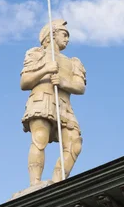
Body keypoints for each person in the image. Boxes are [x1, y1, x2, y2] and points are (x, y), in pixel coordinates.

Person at [20, 19, 86, 186]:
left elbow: (79, 86)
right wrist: (45, 69)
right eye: (64, 34)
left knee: (74, 143)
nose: (67, 39)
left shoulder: (73, 62)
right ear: (51, 35)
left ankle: (58, 182)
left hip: (64, 105)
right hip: (42, 99)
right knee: (40, 138)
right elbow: (24, 82)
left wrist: (64, 83)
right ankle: (35, 184)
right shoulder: (37, 54)